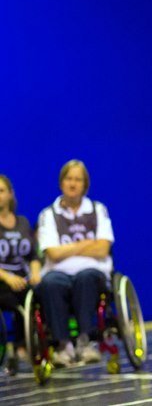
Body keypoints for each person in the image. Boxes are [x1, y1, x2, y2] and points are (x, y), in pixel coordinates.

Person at [35, 160, 112, 367]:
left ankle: (85, 342)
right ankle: (62, 346)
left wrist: (68, 249)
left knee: (86, 277)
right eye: (69, 179)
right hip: (58, 271)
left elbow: (103, 249)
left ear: (85, 184)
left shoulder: (98, 209)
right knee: (50, 283)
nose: (73, 183)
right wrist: (87, 244)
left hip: (92, 271)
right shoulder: (48, 214)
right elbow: (53, 253)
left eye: (78, 179)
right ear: (61, 183)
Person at [0, 175, 41, 375]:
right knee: (14, 293)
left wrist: (35, 273)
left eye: (1, 191)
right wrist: (7, 277)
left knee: (41, 290)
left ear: (10, 194)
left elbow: (34, 255)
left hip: (23, 279)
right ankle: (15, 346)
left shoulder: (23, 222)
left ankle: (52, 346)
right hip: (2, 282)